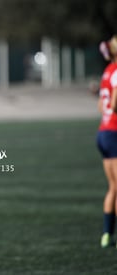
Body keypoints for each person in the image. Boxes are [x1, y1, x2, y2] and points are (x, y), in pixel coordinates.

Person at [97, 35, 117, 248]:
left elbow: (101, 107)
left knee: (113, 187)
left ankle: (106, 235)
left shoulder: (108, 72)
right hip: (114, 132)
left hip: (103, 132)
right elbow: (114, 105)